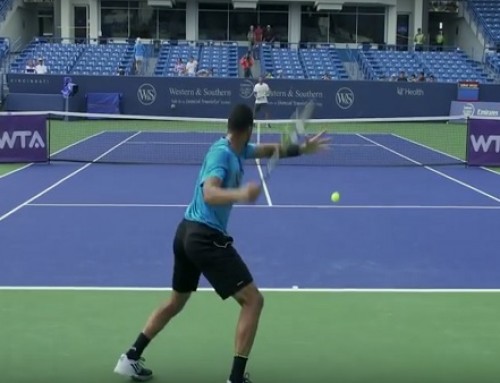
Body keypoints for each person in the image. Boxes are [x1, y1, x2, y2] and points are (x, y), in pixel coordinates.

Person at [113, 104, 329, 383]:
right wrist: (241, 192)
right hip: (204, 237)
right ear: (249, 130)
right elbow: (210, 193)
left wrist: (302, 149)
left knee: (175, 302)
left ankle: (130, 357)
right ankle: (236, 379)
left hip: (185, 233)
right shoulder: (222, 154)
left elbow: (268, 151)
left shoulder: (237, 147)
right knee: (253, 300)